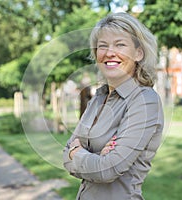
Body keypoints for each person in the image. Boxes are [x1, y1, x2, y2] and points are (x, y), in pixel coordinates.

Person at [63, 12, 164, 200]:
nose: (110, 53)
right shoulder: (98, 98)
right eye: (103, 46)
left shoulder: (145, 100)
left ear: (138, 53)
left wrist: (77, 153)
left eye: (120, 44)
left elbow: (109, 169)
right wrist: (95, 157)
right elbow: (65, 155)